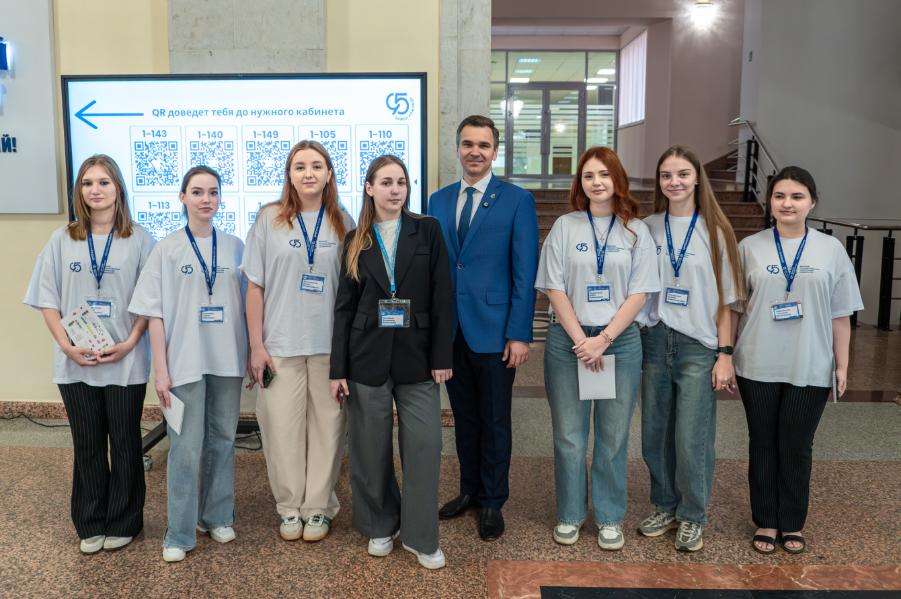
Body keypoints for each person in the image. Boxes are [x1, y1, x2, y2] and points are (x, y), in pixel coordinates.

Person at [24, 154, 154, 554]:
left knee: (126, 443)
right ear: (79, 191)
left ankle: (125, 521)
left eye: (103, 182)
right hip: (75, 362)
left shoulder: (139, 239)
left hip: (125, 360)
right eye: (87, 183)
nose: (95, 190)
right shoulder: (62, 239)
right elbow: (47, 299)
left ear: (118, 189)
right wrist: (66, 345)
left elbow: (150, 302)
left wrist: (130, 342)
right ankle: (90, 521)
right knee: (88, 443)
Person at [330, 155, 453, 570]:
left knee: (425, 446)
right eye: (386, 182)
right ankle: (380, 524)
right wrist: (338, 369)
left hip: (419, 358)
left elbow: (442, 295)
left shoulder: (427, 230)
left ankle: (420, 536)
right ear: (369, 188)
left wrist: (442, 356)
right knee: (369, 450)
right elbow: (344, 309)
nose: (395, 189)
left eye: (401, 182)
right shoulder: (355, 239)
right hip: (366, 357)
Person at [732, 166, 862, 555]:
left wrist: (842, 365)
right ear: (770, 202)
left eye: (796, 196)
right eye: (779, 196)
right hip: (757, 363)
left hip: (811, 364)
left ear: (812, 203)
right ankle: (766, 520)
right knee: (762, 443)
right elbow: (735, 309)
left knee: (797, 444)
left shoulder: (831, 250)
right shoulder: (749, 247)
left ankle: (792, 521)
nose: (787, 203)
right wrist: (725, 355)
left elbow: (841, 315)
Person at [535, 146, 659, 551]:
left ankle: (609, 517)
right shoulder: (565, 227)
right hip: (568, 341)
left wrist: (603, 339)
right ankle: (570, 514)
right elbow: (553, 287)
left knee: (614, 435)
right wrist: (581, 341)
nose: (596, 182)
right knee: (569, 436)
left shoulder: (636, 231)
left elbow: (640, 292)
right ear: (580, 183)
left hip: (619, 342)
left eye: (604, 174)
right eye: (588, 176)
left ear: (617, 179)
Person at [129, 165, 248, 563]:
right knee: (184, 445)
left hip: (227, 359)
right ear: (182, 198)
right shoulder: (166, 249)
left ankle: (216, 516)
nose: (206, 199)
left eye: (213, 192)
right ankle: (178, 533)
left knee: (223, 439)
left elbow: (248, 305)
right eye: (197, 192)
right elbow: (154, 313)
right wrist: (161, 370)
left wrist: (252, 353)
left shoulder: (235, 247)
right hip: (184, 362)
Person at [428, 115, 538, 541]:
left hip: (495, 332)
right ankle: (469, 491)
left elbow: (524, 273)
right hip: (453, 331)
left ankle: (493, 501)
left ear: (495, 151)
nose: (475, 151)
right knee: (464, 417)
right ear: (457, 148)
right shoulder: (438, 200)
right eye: (468, 144)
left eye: (484, 145)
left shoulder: (516, 200)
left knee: (495, 419)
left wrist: (519, 333)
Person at [242, 141, 354, 543]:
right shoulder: (269, 219)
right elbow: (254, 286)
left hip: (328, 348)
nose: (309, 173)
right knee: (281, 430)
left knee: (328, 429)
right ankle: (289, 508)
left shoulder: (343, 221)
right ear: (289, 174)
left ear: (329, 174)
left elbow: (353, 291)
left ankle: (318, 506)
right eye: (300, 166)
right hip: (280, 346)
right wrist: (256, 346)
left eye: (317, 166)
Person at [637, 146, 745, 552]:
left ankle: (692, 515)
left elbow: (727, 301)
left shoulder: (715, 230)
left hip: (698, 346)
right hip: (654, 339)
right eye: (667, 175)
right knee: (654, 434)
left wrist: (725, 354)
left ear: (697, 177)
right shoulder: (647, 227)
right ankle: (664, 505)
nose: (675, 182)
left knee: (691, 438)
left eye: (683, 174)